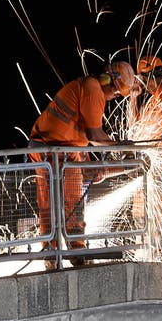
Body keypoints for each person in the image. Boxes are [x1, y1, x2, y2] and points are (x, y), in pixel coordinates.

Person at [27, 61, 135, 266]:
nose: (114, 97)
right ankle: (61, 252)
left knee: (71, 196)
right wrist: (120, 146)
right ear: (107, 80)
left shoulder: (90, 90)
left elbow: (92, 170)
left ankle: (66, 252)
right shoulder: (93, 88)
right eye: (115, 92)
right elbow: (95, 135)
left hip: (66, 149)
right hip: (50, 149)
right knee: (59, 202)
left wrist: (126, 167)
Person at [128, 56, 162, 259]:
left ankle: (151, 252)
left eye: (142, 78)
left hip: (159, 163)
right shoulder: (153, 100)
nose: (140, 83)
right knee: (140, 211)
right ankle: (142, 249)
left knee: (152, 210)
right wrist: (133, 98)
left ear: (151, 75)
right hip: (146, 163)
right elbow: (134, 127)